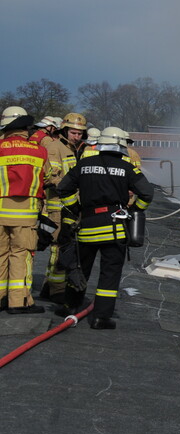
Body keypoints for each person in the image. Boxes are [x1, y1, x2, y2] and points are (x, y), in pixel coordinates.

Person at [56, 127, 153, 329]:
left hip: (87, 226)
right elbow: (147, 194)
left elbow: (63, 188)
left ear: (101, 143)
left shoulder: (84, 164)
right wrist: (134, 210)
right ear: (121, 146)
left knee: (80, 268)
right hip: (114, 228)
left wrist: (75, 207)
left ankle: (70, 308)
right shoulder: (127, 168)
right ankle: (101, 317)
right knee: (110, 273)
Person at [0, 106, 54, 314]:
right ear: (25, 127)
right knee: (21, 255)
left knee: (1, 254)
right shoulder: (39, 151)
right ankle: (19, 301)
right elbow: (48, 178)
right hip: (25, 214)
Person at [38, 112, 87, 302]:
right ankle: (57, 290)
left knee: (69, 248)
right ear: (65, 130)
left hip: (73, 207)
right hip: (57, 207)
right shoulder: (55, 147)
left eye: (80, 133)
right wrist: (72, 186)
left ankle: (48, 288)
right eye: (74, 133)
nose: (77, 136)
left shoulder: (80, 149)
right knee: (59, 248)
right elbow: (50, 177)